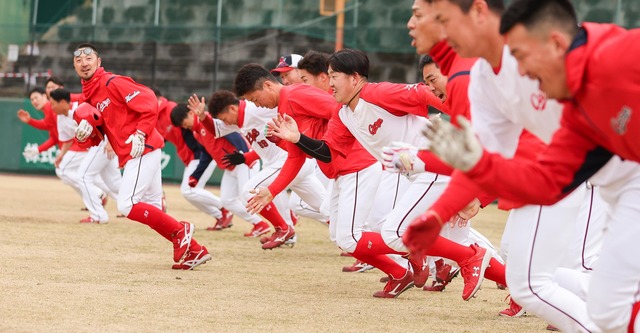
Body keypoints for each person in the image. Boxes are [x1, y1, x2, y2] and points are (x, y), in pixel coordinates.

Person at [424, 0, 640, 331]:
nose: (520, 71)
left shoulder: (622, 52)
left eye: (521, 56)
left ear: (555, 43)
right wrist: (479, 166)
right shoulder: (575, 118)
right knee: (607, 308)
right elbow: (545, 184)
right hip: (625, 188)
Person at [267, 48, 496, 301]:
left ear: (354, 78)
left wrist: (465, 111)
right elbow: (329, 153)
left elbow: (422, 93)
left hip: (434, 163)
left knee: (397, 232)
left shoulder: (376, 93)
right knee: (421, 233)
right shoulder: (344, 114)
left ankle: (465, 260)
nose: (329, 82)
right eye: (329, 76)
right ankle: (511, 283)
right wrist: (297, 138)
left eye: (334, 76)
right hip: (412, 171)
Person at [71, 42, 209, 270]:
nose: (84, 63)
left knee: (127, 205)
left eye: (88, 58)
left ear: (99, 62)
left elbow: (149, 100)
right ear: (74, 66)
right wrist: (83, 135)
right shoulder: (87, 100)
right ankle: (194, 249)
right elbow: (95, 139)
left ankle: (182, 231)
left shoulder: (112, 82)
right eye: (78, 60)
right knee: (152, 206)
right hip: (140, 151)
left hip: (143, 148)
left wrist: (141, 133)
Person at [187, 91, 301, 249]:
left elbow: (286, 104)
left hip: (285, 159)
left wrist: (245, 158)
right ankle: (286, 231)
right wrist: (203, 117)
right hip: (274, 162)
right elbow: (216, 129)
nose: (224, 123)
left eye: (252, 97)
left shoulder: (256, 109)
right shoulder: (236, 120)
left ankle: (281, 228)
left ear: (232, 109)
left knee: (250, 191)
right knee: (321, 206)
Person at [169, 103, 265, 232]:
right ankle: (260, 224)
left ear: (191, 113)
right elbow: (206, 155)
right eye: (182, 126)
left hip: (243, 161)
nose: (185, 126)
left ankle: (283, 222)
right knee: (227, 200)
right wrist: (195, 176)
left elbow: (234, 135)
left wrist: (244, 156)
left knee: (247, 196)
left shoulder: (209, 121)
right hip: (230, 167)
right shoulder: (197, 133)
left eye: (184, 122)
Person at [154, 89, 235, 230]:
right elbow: (163, 139)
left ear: (158, 98)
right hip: (189, 157)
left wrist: (201, 152)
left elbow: (193, 127)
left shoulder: (172, 109)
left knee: (188, 190)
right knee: (190, 193)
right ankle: (221, 214)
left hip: (200, 155)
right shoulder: (154, 116)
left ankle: (224, 208)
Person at [50, 88, 121, 224]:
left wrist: (111, 142)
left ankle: (98, 215)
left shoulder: (81, 107)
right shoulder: (61, 118)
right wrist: (61, 155)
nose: (52, 107)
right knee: (114, 184)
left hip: (103, 143)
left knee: (83, 176)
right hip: (98, 146)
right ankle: (151, 202)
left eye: (53, 103)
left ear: (63, 102)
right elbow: (69, 139)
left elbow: (107, 120)